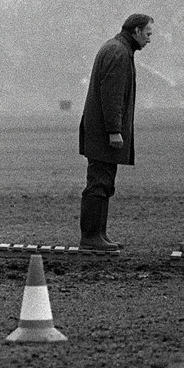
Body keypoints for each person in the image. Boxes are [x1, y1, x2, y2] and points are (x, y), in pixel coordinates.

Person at [78, 13, 153, 250]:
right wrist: (114, 130)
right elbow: (112, 96)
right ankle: (91, 236)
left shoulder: (117, 49)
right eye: (148, 34)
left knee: (104, 182)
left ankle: (99, 234)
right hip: (103, 133)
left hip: (100, 131)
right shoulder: (118, 53)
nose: (149, 40)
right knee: (99, 182)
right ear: (136, 31)